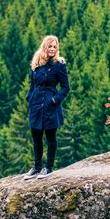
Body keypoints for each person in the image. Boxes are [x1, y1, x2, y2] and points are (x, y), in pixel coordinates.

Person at [23, 35, 70, 180]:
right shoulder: (36, 63)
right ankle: (36, 168)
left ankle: (48, 168)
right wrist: (29, 98)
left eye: (55, 47)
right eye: (50, 46)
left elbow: (65, 87)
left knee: (50, 137)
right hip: (36, 105)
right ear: (45, 46)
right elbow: (32, 84)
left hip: (51, 106)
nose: (53, 49)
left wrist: (55, 100)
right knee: (36, 137)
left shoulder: (59, 65)